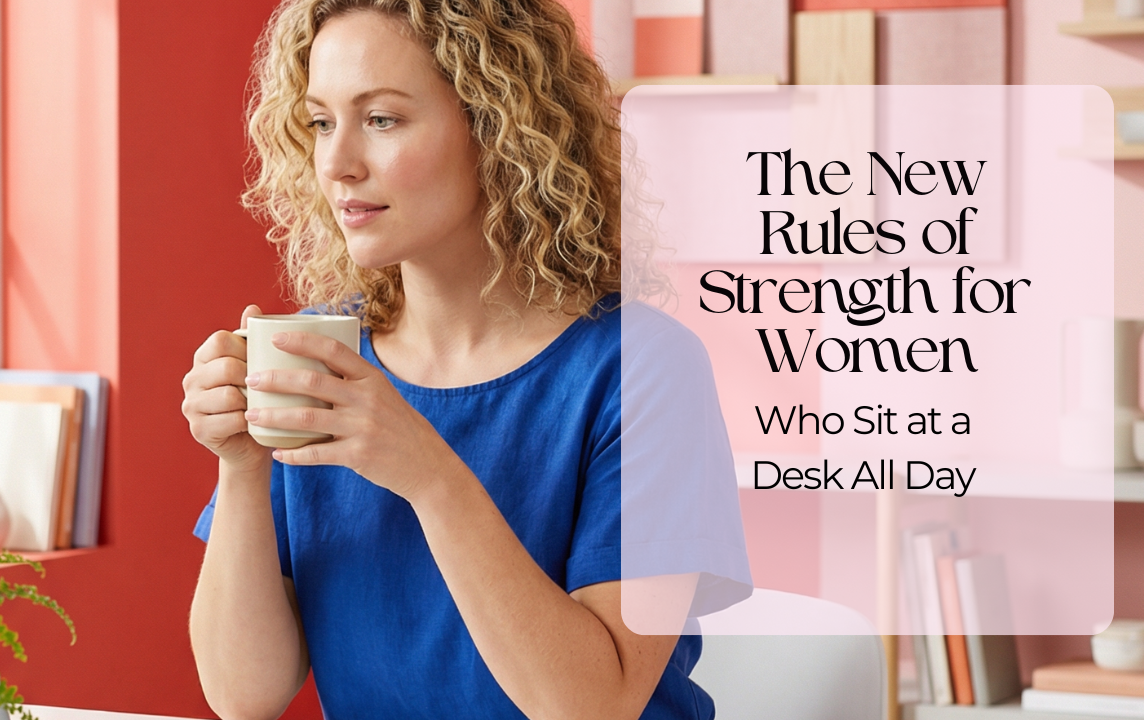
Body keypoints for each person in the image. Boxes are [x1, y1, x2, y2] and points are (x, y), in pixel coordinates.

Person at [180, 1, 750, 718]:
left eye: (381, 119)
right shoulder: (319, 363)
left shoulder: (643, 371)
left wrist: (427, 473)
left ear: (498, 126)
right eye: (322, 121)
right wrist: (241, 466)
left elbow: (594, 706)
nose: (337, 162)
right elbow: (243, 695)